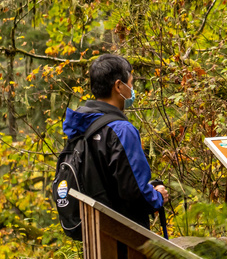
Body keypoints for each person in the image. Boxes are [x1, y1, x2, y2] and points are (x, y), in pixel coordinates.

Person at [61, 54, 168, 229]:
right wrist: (158, 197)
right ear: (119, 86)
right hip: (124, 238)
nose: (132, 89)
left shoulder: (80, 126)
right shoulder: (121, 130)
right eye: (131, 83)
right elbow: (134, 192)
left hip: (95, 236)